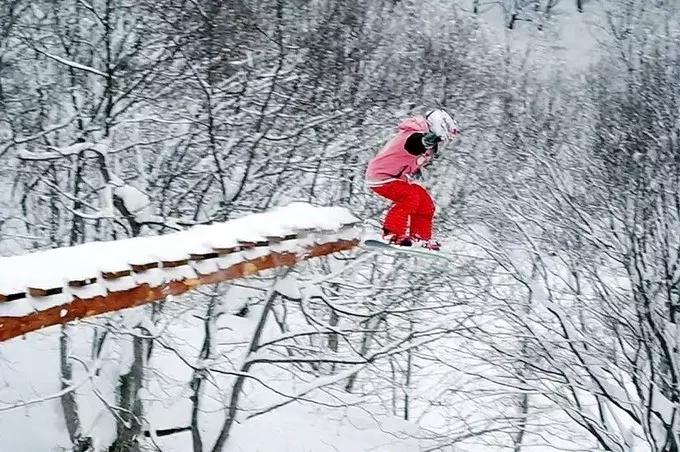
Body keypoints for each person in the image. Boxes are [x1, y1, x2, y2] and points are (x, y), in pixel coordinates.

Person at [365, 109, 459, 251]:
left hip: (395, 177)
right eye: (442, 139)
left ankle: (420, 238)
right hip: (380, 176)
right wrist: (428, 140)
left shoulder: (422, 139)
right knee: (409, 196)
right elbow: (415, 144)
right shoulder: (413, 136)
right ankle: (392, 233)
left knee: (425, 202)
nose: (441, 143)